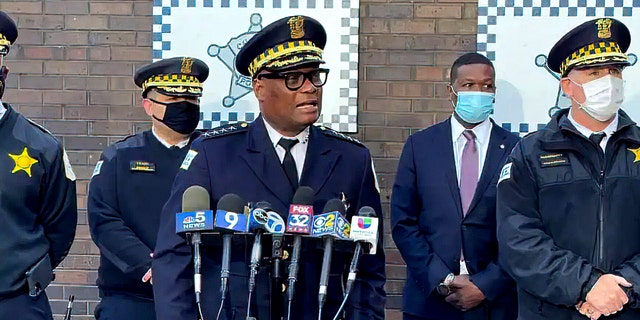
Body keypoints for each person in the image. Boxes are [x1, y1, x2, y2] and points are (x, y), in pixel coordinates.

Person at [152, 15, 386, 320]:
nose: (310, 88)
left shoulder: (352, 158)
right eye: (294, 78)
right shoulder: (213, 153)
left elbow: (369, 264)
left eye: (315, 76)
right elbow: (174, 254)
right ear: (259, 87)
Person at [497, 18, 640, 319]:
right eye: (594, 73)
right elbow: (518, 239)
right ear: (568, 86)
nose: (609, 81)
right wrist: (585, 285)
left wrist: (623, 289)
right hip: (551, 311)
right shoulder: (531, 152)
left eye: (614, 71)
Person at [391, 52, 519, 320]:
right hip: (429, 302)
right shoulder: (420, 146)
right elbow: (403, 223)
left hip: (495, 305)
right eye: (468, 85)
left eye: (487, 86)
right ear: (451, 92)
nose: (479, 92)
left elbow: (523, 228)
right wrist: (443, 278)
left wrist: (487, 284)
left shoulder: (518, 149)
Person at [87, 57, 209, 320]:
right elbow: (104, 220)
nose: (186, 107)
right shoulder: (120, 157)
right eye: (175, 100)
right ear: (149, 106)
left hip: (198, 295)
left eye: (192, 100)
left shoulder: (215, 153)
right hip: (132, 296)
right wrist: (151, 265)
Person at [0, 10, 77, 319]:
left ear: (4, 69)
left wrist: (24, 273)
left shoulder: (41, 147)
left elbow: (60, 227)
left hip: (17, 303)